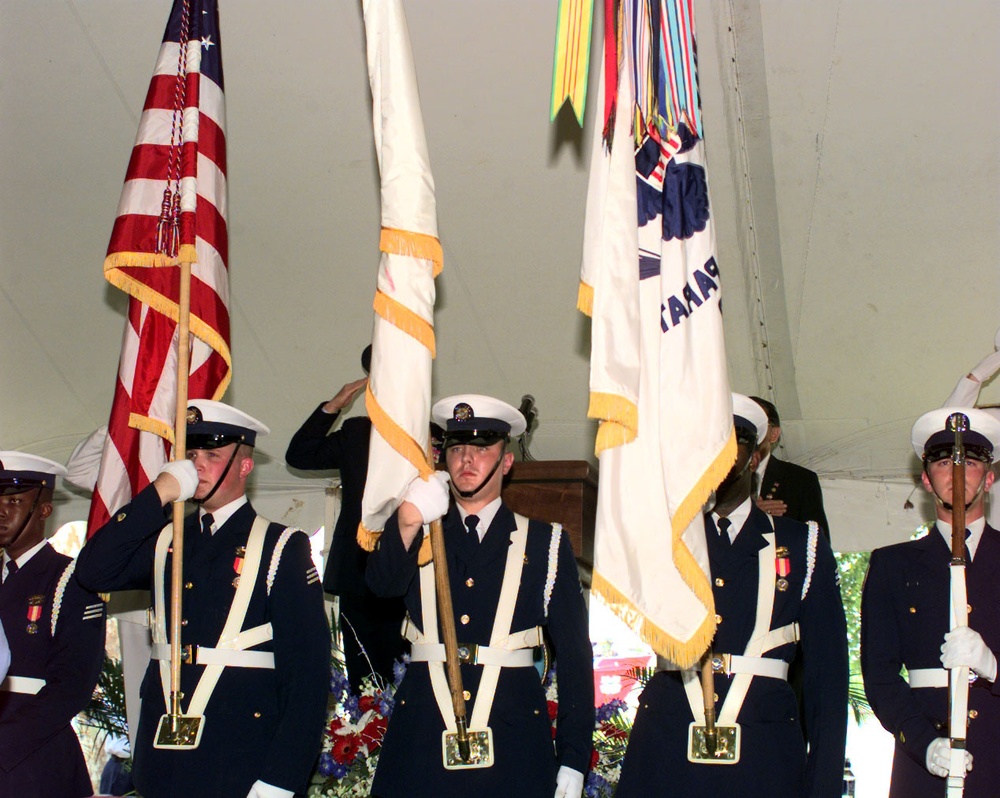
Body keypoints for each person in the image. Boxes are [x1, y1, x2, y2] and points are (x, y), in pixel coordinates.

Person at [76, 400, 331, 798]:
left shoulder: (281, 546)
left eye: (212, 455)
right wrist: (158, 494)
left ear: (244, 466)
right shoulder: (167, 541)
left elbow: (308, 678)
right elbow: (92, 572)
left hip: (240, 764)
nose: (197, 465)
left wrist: (281, 779)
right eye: (191, 454)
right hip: (163, 764)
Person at [617, 394, 849, 798]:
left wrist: (823, 783)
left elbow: (827, 679)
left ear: (754, 457)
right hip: (667, 752)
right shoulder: (665, 540)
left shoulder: (800, 544)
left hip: (764, 756)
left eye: (731, 445)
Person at [366, 394, 594, 798]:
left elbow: (575, 656)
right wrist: (404, 522)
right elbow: (380, 588)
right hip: (422, 735)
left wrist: (574, 758)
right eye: (457, 448)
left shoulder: (545, 541)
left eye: (482, 448)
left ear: (506, 463)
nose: (466, 459)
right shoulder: (418, 529)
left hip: (514, 740)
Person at [861, 406, 1000, 797]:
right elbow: (881, 677)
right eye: (943, 464)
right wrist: (924, 744)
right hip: (924, 761)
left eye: (969, 463)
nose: (956, 474)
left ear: (988, 478)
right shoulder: (892, 565)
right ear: (925, 479)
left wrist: (993, 666)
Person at [286, 345, 406, 692]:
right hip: (359, 573)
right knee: (365, 679)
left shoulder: (427, 434)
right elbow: (300, 455)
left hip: (411, 573)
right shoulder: (355, 433)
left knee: (410, 675)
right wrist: (333, 406)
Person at [0, 452, 106, 798]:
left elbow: (73, 685)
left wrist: (6, 741)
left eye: (14, 501)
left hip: (31, 757)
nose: (1, 511)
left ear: (45, 510)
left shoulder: (70, 579)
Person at [749, 396, 830, 535]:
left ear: (774, 434)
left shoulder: (800, 480)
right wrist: (746, 515)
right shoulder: (715, 479)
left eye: (756, 425)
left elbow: (816, 544)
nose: (747, 433)